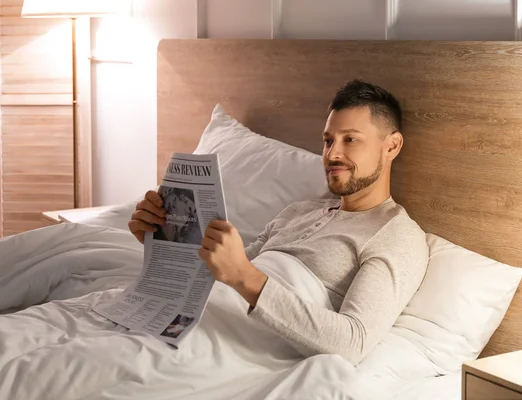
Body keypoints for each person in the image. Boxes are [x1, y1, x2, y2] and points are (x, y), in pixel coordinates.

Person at [128, 79, 429, 365]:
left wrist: (245, 276)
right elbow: (224, 275)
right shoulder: (298, 211)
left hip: (242, 346)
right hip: (204, 317)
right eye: (327, 140)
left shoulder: (396, 234)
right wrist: (163, 239)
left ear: (391, 146)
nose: (332, 154)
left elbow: (352, 342)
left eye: (350, 139)